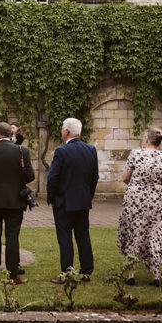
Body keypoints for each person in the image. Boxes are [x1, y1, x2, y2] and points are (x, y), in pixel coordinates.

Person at [0, 121, 35, 285]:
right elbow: (30, 176)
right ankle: (13, 276)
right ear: (10, 134)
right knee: (12, 237)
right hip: (15, 200)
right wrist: (16, 181)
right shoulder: (22, 151)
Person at [46, 117, 98, 284]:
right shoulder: (91, 149)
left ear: (66, 131)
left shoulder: (61, 151)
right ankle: (86, 271)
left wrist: (52, 198)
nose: (62, 131)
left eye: (62, 128)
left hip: (64, 201)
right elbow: (94, 177)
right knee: (83, 236)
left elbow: (53, 178)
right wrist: (88, 195)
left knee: (65, 237)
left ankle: (68, 272)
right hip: (82, 201)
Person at [117, 128, 162, 286]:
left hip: (136, 197)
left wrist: (136, 184)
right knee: (154, 233)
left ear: (147, 140)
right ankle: (156, 276)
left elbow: (125, 177)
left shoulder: (136, 153)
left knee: (134, 230)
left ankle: (131, 274)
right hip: (155, 197)